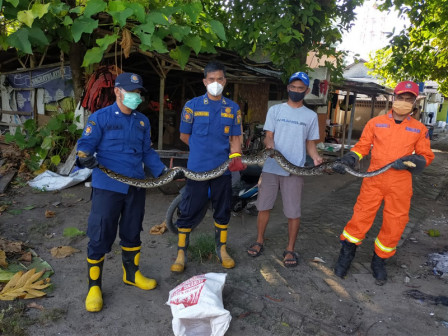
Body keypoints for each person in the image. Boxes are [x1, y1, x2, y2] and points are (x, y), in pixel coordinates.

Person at [77, 72, 175, 312]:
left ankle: (131, 274)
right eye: (131, 91)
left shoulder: (142, 121)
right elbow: (84, 146)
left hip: (136, 185)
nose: (136, 96)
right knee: (100, 234)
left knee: (132, 231)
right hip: (107, 186)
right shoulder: (100, 118)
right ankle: (94, 286)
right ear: (118, 92)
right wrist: (85, 158)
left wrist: (163, 171)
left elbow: (147, 152)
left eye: (138, 92)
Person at [333, 80, 435, 285]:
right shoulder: (375, 123)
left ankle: (379, 262)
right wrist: (350, 158)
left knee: (395, 223)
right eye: (401, 98)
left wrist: (412, 161)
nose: (404, 102)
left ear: (415, 102)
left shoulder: (419, 129)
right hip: (374, 179)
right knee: (360, 218)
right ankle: (345, 257)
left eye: (409, 99)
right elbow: (362, 147)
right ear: (393, 99)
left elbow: (426, 156)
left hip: (401, 182)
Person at [170, 61, 245, 273]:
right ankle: (181, 253)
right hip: (196, 170)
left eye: (219, 79)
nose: (215, 83)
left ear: (225, 81)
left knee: (222, 209)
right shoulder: (192, 106)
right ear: (204, 81)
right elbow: (184, 136)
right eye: (211, 79)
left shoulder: (232, 108)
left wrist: (236, 156)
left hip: (222, 169)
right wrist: (201, 150)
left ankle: (221, 250)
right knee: (188, 210)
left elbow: (236, 137)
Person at [246, 72, 323, 267]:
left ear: (306, 91)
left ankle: (290, 249)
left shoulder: (311, 116)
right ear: (288, 88)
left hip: (295, 168)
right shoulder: (275, 110)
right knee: (264, 206)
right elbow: (268, 135)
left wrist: (315, 158)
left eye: (301, 88)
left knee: (293, 211)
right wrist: (270, 144)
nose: (296, 91)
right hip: (272, 166)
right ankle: (259, 241)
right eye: (293, 87)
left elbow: (310, 144)